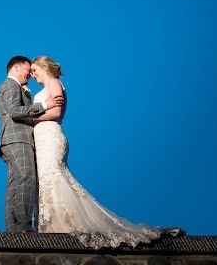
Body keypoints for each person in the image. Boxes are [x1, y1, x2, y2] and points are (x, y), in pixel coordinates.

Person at [29, 55, 171, 248]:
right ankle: (54, 226)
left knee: (53, 177)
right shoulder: (44, 89)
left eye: (34, 70)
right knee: (45, 181)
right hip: (42, 141)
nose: (32, 74)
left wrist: (31, 120)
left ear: (44, 67)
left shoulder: (54, 83)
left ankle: (71, 225)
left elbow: (56, 112)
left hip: (51, 136)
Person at [0, 55, 63, 233]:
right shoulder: (11, 84)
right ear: (17, 68)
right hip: (17, 138)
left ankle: (12, 229)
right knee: (27, 177)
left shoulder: (15, 87)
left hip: (11, 140)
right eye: (28, 70)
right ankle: (24, 225)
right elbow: (14, 111)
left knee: (15, 185)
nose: (30, 75)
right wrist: (44, 104)